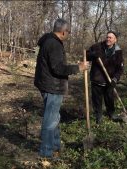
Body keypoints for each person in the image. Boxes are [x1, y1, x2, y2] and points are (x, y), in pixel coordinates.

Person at [34, 18, 89, 160]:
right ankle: (46, 153)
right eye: (69, 32)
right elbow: (58, 68)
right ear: (63, 31)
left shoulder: (48, 40)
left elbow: (55, 64)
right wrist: (78, 67)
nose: (69, 34)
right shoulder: (54, 44)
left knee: (55, 117)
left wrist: (73, 66)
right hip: (52, 86)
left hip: (47, 84)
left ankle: (55, 146)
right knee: (50, 120)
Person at [87, 31, 124, 124]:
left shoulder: (118, 52)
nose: (108, 39)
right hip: (97, 78)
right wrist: (92, 55)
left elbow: (120, 68)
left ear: (115, 40)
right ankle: (98, 116)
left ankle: (111, 114)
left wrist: (115, 79)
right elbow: (86, 55)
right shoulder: (97, 47)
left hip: (109, 80)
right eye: (107, 37)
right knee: (97, 100)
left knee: (109, 98)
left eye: (110, 38)